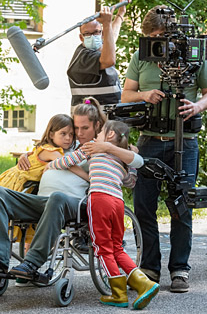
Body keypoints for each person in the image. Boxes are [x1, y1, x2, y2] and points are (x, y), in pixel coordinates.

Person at [0, 98, 144, 284]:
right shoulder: (67, 143)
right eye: (75, 129)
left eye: (84, 128)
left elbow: (134, 166)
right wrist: (27, 154)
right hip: (43, 201)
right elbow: (44, 148)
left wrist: (110, 148)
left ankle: (31, 263)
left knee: (57, 198)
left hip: (74, 205)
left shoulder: (104, 148)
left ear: (97, 125)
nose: (78, 134)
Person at [121, 5, 207, 293]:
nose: (156, 41)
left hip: (184, 141)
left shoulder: (193, 54)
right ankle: (149, 267)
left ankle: (180, 269)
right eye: (150, 36)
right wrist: (143, 95)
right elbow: (126, 94)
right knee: (144, 207)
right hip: (149, 140)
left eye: (159, 35)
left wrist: (197, 106)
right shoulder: (142, 55)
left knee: (181, 207)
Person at [47, 120, 159, 309]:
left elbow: (66, 161)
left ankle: (119, 294)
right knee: (117, 247)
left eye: (99, 134)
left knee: (103, 248)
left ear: (110, 136)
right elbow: (130, 182)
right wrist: (130, 167)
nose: (95, 137)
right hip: (118, 203)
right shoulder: (119, 160)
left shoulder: (92, 148)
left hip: (99, 199)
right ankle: (144, 284)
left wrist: (51, 164)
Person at [0, 113, 77, 289]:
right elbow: (66, 163)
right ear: (51, 134)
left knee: (30, 230)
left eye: (71, 134)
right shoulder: (53, 152)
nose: (68, 138)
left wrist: (27, 154)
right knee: (2, 225)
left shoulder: (43, 148)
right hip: (19, 186)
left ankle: (25, 271)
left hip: (31, 189)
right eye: (63, 134)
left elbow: (40, 153)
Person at [67, 0, 131, 111]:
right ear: (81, 37)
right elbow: (109, 60)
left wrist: (120, 14)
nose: (93, 37)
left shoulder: (98, 50)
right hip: (91, 123)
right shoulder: (83, 56)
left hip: (107, 121)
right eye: (87, 34)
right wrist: (106, 23)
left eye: (96, 32)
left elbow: (111, 39)